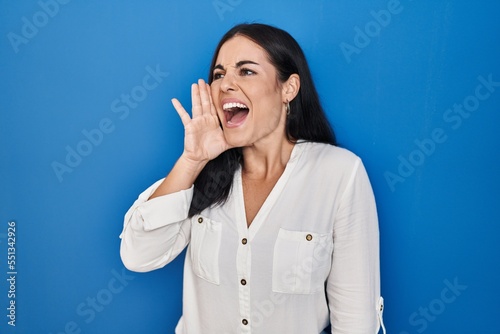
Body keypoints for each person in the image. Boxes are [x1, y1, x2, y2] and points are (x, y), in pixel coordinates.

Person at [119, 23, 385, 334]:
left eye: (246, 71)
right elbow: (138, 257)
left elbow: (356, 317)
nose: (225, 85)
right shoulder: (203, 172)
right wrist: (192, 161)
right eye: (219, 74)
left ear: (289, 88)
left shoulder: (339, 173)